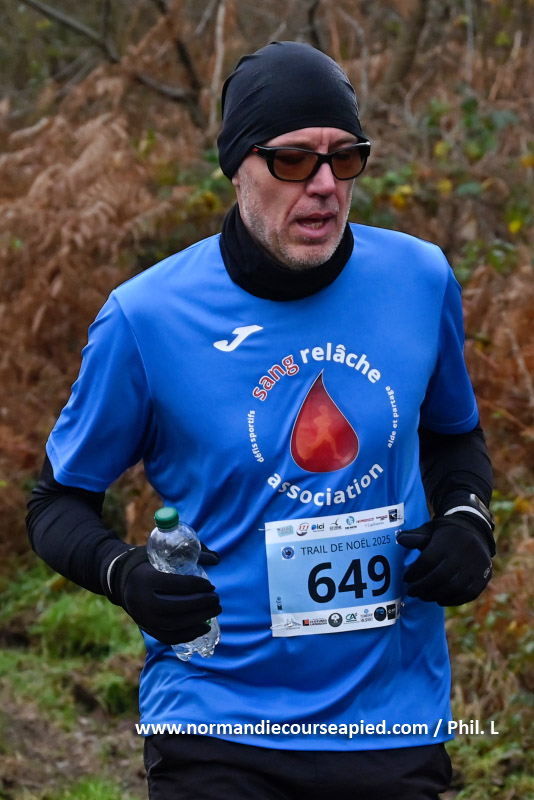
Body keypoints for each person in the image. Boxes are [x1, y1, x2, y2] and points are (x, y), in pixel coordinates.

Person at [27, 41, 496, 800]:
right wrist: (125, 574)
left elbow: (451, 433)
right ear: (236, 165)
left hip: (391, 719)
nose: (324, 185)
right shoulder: (148, 318)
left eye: (345, 158)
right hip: (216, 721)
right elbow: (56, 503)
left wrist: (469, 518)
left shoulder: (419, 278)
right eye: (293, 160)